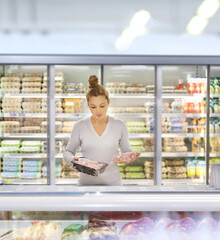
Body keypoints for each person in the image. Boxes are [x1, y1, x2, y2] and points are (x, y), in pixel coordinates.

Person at [63, 75, 132, 186]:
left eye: (102, 106)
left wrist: (128, 157)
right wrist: (73, 159)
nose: (98, 111)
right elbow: (68, 152)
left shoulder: (119, 125)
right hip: (85, 185)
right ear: (88, 106)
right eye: (93, 107)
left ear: (108, 102)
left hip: (113, 185)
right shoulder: (80, 126)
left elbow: (127, 151)